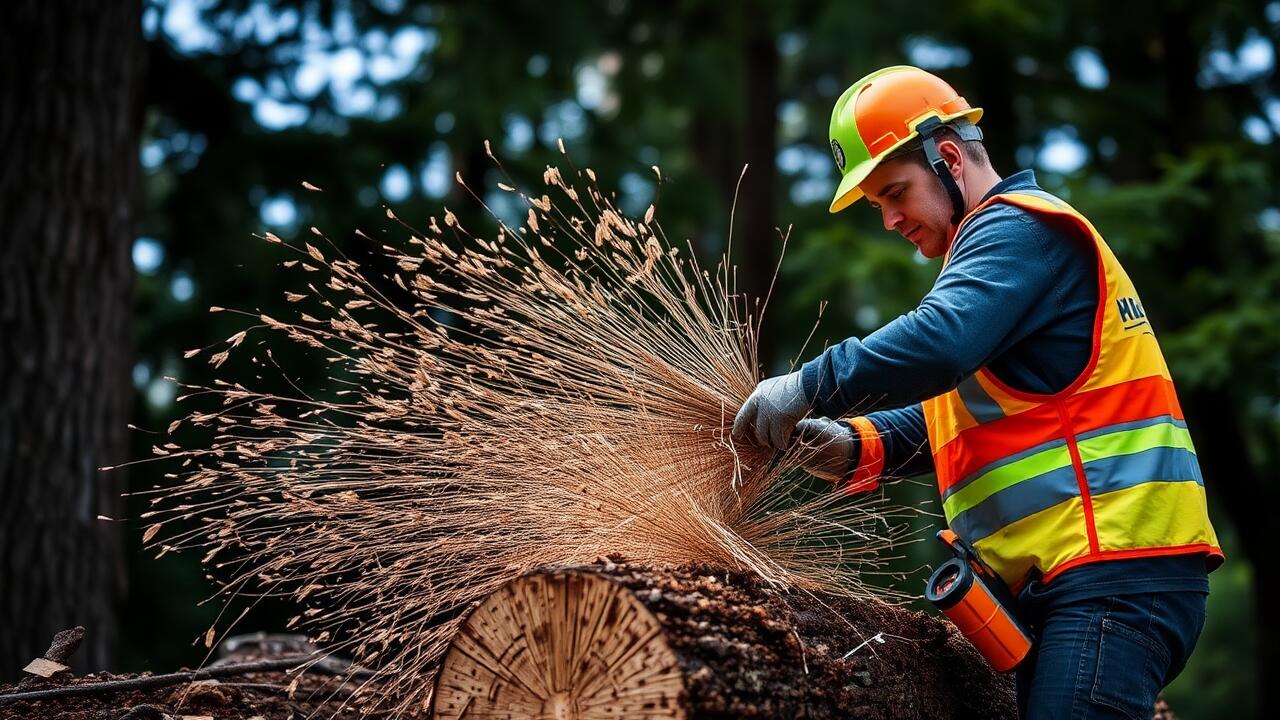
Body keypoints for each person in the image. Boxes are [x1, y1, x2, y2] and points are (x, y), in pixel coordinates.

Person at [731, 65, 1223, 718]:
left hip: (1110, 573)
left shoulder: (1018, 232)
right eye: (879, 204)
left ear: (951, 158)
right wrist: (856, 446)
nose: (890, 219)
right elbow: (970, 415)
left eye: (895, 192)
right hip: (1086, 578)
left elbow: (939, 346)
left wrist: (808, 384)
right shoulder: (996, 260)